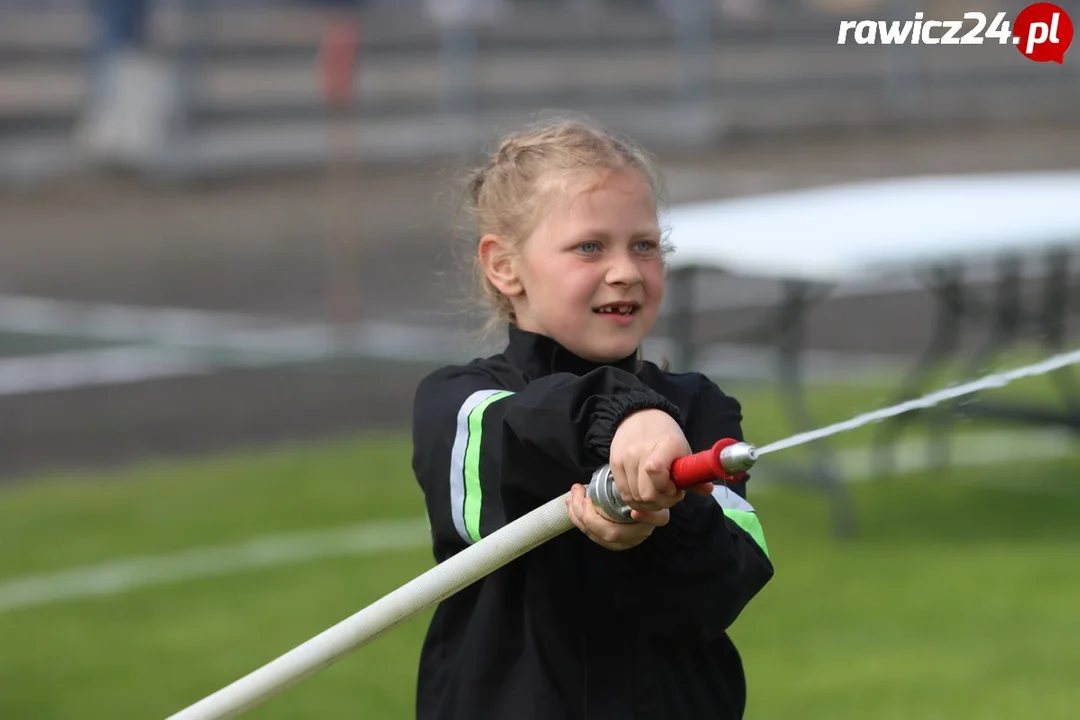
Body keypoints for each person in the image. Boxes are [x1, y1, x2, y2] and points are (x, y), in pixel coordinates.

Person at [410, 114, 774, 720]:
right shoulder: (459, 403)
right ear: (504, 265)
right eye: (589, 247)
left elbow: (721, 588)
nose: (626, 270)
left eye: (645, 245)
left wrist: (667, 509)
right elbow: (520, 440)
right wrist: (623, 419)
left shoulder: (701, 410)